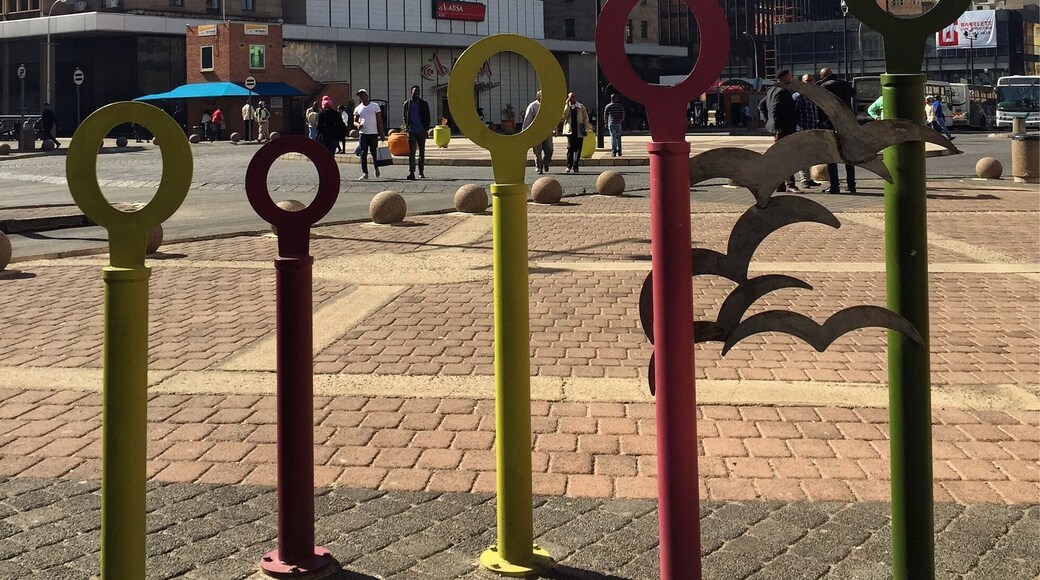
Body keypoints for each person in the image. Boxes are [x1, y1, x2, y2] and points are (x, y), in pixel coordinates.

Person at [758, 70, 800, 193]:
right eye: (790, 77)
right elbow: (776, 110)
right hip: (784, 129)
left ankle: (780, 185)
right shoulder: (783, 92)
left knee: (780, 157)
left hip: (778, 129)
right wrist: (777, 126)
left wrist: (768, 121)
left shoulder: (771, 90)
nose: (791, 79)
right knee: (787, 157)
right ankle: (790, 184)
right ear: (785, 78)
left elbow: (761, 106)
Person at [817, 67, 856, 194]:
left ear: (822, 76)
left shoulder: (824, 86)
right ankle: (851, 185)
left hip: (831, 124)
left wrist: (823, 121)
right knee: (849, 155)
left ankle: (835, 186)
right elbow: (853, 93)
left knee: (832, 156)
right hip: (847, 123)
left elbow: (821, 106)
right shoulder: (844, 83)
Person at [793, 73, 821, 187]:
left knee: (810, 155)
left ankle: (808, 179)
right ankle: (804, 179)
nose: (809, 83)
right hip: (802, 129)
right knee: (802, 155)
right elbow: (794, 113)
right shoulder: (798, 96)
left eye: (811, 80)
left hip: (813, 129)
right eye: (807, 81)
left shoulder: (814, 96)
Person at [353, 89, 384, 180]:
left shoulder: (375, 106)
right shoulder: (358, 108)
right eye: (360, 96)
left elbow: (379, 120)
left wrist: (381, 133)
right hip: (363, 134)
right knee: (363, 153)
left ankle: (376, 167)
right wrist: (358, 125)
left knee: (374, 152)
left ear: (367, 95)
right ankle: (365, 172)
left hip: (373, 133)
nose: (361, 97)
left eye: (363, 95)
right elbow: (354, 121)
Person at [402, 85, 431, 180]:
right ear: (411, 92)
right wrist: (406, 127)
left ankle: (421, 171)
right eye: (415, 92)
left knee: (421, 152)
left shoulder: (423, 103)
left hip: (421, 131)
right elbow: (404, 116)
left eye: (418, 92)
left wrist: (426, 129)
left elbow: (427, 117)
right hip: (412, 131)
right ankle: (411, 172)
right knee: (411, 152)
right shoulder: (407, 104)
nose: (417, 94)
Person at [560, 92, 592, 173]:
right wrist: (567, 105)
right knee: (570, 148)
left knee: (578, 149)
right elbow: (564, 117)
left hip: (579, 130)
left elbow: (585, 118)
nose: (572, 98)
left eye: (573, 97)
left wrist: (586, 128)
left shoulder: (580, 107)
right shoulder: (566, 106)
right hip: (570, 130)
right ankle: (568, 166)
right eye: (571, 97)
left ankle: (576, 166)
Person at [523, 90, 553, 174]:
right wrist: (525, 132)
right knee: (537, 151)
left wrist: (555, 129)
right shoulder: (533, 106)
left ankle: (546, 162)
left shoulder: (549, 105)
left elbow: (552, 118)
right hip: (536, 132)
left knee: (549, 149)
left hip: (547, 131)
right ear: (538, 97)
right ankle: (539, 167)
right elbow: (527, 119)